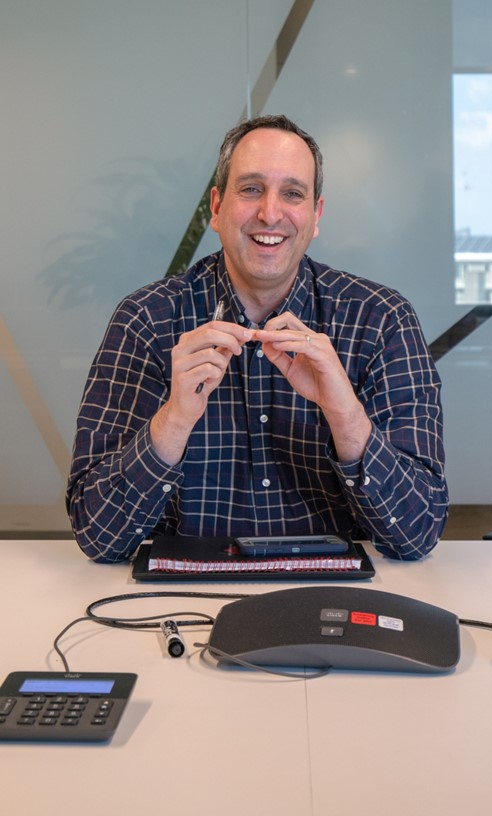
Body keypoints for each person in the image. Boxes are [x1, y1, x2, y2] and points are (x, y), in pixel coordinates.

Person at [66, 114, 448, 563]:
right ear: (216, 207)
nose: (270, 212)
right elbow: (97, 536)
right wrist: (174, 420)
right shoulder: (146, 321)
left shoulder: (381, 320)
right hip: (181, 596)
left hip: (336, 596)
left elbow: (418, 532)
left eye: (292, 193)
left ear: (316, 215)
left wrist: (344, 413)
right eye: (250, 189)